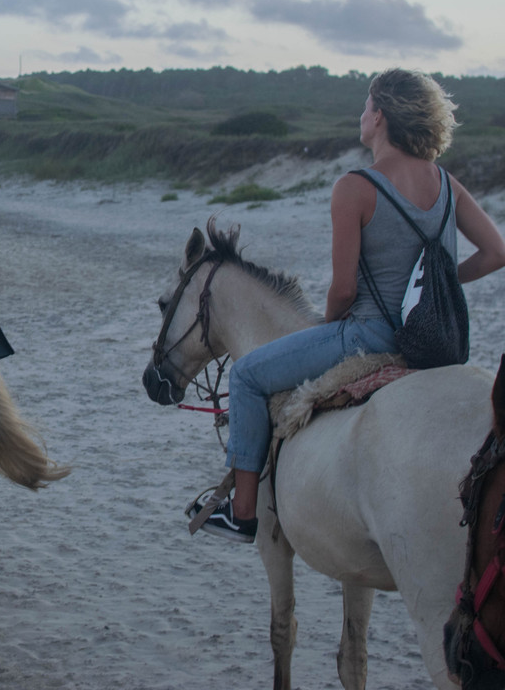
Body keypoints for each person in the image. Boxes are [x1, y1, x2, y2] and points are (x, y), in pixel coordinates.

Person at [193, 68, 505, 543]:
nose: (362, 115)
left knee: (247, 376)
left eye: (365, 106)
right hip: (440, 341)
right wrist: (437, 283)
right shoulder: (445, 182)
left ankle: (242, 514)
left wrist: (330, 324)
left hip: (372, 335)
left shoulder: (356, 186)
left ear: (379, 115)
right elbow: (497, 252)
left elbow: (342, 291)